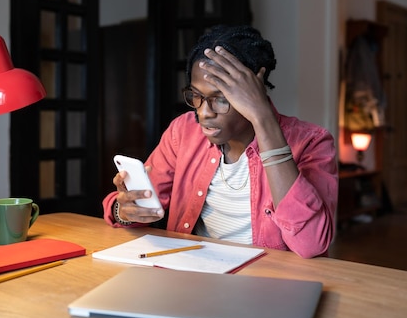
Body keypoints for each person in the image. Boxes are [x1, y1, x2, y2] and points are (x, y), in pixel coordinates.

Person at [102, 25, 338, 258]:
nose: (204, 112)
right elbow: (142, 204)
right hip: (196, 274)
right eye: (196, 95)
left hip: (269, 285)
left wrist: (263, 119)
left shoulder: (311, 142)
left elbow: (311, 244)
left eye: (221, 99)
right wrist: (124, 210)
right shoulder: (184, 131)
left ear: (255, 94)